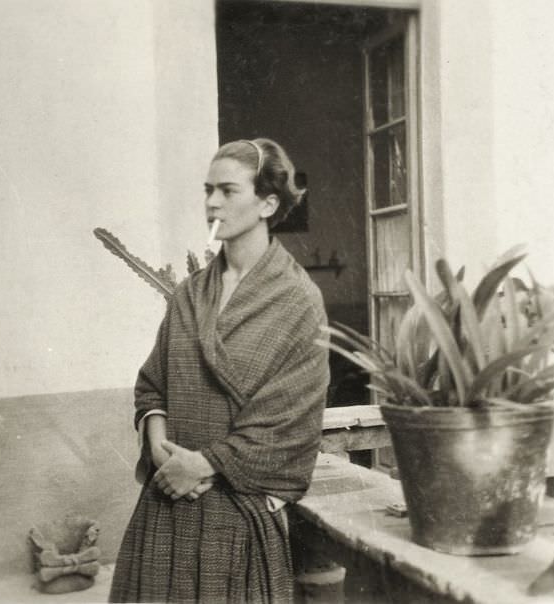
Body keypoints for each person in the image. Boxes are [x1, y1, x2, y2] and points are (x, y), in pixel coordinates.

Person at [109, 138, 330, 604]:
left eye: (228, 191)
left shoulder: (297, 300)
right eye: (208, 190)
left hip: (236, 511)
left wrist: (205, 464)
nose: (211, 202)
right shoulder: (191, 293)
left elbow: (291, 420)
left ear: (268, 203)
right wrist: (160, 449)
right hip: (168, 501)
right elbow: (153, 386)